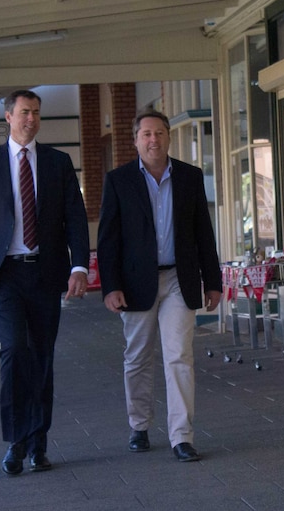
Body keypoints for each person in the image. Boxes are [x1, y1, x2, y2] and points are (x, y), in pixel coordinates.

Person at [0, 89, 90, 477]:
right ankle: (16, 442)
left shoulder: (58, 163)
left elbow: (75, 219)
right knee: (15, 351)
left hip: (46, 272)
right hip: (6, 275)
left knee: (42, 357)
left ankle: (39, 444)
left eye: (36, 113)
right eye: (24, 112)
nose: (30, 119)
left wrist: (79, 266)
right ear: (8, 117)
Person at [97, 109, 222, 463]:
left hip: (179, 280)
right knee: (137, 357)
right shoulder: (118, 180)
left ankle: (182, 436)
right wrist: (111, 286)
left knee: (179, 355)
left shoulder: (189, 177)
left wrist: (212, 281)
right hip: (136, 283)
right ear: (136, 140)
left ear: (169, 137)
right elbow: (108, 240)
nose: (153, 140)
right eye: (146, 134)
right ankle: (139, 425)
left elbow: (203, 233)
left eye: (159, 133)